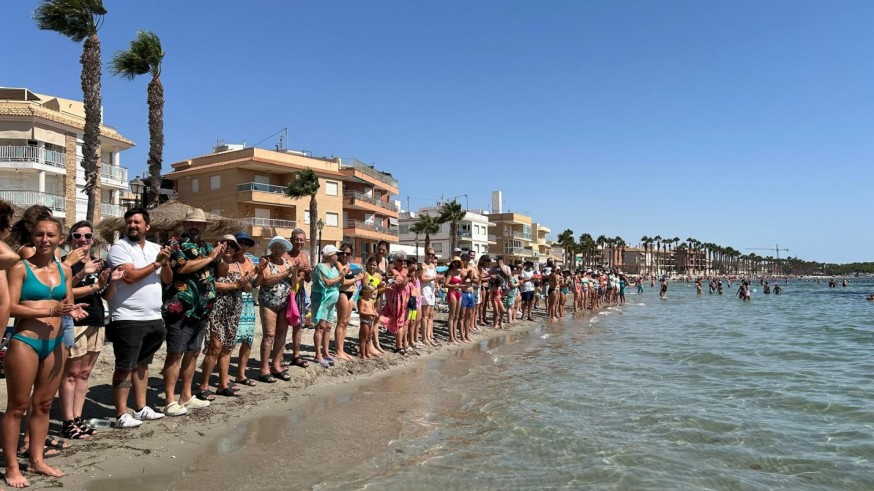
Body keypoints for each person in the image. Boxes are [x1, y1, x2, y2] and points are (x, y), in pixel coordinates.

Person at [4, 215, 89, 487]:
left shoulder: (64, 270)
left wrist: (72, 312)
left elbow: (67, 302)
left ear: (60, 239)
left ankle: (37, 460)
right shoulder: (20, 268)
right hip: (25, 342)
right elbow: (11, 308)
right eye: (39, 234)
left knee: (42, 405)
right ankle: (11, 466)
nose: (44, 239)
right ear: (33, 237)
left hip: (56, 344)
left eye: (50, 235)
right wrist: (49, 310)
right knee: (17, 406)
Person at [105, 208, 172, 427]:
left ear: (147, 226)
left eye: (137, 222)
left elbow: (167, 279)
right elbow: (130, 276)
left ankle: (141, 408)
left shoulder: (155, 248)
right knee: (124, 366)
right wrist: (157, 263)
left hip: (153, 316)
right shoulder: (119, 247)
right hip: (127, 316)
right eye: (129, 222)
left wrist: (166, 262)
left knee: (143, 364)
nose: (133, 225)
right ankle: (121, 414)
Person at [59, 221, 123, 440]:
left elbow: (106, 296)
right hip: (74, 322)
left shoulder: (100, 263)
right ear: (70, 239)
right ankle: (67, 422)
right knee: (71, 374)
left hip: (96, 320)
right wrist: (83, 274)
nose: (82, 240)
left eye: (87, 236)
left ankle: (77, 418)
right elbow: (63, 294)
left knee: (84, 374)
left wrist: (111, 281)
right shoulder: (65, 264)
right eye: (77, 236)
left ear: (93, 240)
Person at [162, 208, 224, 415]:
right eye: (191, 223)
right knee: (175, 354)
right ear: (184, 225)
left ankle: (186, 396)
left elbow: (221, 273)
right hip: (180, 309)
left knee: (193, 352)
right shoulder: (174, 244)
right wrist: (210, 258)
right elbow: (182, 268)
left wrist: (219, 257)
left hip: (202, 309)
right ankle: (170, 400)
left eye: (198, 224)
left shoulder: (207, 246)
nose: (194, 227)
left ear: (205, 227)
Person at [199, 235, 252, 398]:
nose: (228, 247)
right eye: (224, 244)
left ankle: (223, 384)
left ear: (236, 250)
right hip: (216, 309)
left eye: (231, 245)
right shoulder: (213, 264)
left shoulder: (237, 265)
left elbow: (248, 289)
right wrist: (235, 284)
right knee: (215, 347)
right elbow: (211, 285)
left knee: (228, 347)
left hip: (234, 311)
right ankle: (203, 386)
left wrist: (247, 280)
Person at [254, 236, 298, 382]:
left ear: (284, 249)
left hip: (284, 303)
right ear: (271, 248)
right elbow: (266, 280)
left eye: (281, 247)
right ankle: (263, 369)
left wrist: (295, 272)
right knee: (269, 335)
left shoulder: (287, 263)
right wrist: (287, 272)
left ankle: (276, 365)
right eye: (275, 247)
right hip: (268, 302)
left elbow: (293, 283)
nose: (278, 250)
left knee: (281, 335)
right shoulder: (265, 261)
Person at [231, 232, 258, 387]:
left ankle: (241, 374)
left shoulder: (249, 260)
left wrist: (258, 273)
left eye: (247, 243)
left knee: (247, 339)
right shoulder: (229, 261)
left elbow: (254, 284)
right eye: (241, 242)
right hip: (232, 301)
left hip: (248, 302)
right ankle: (223, 376)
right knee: (230, 340)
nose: (244, 246)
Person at [311, 245, 343, 368]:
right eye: (335, 254)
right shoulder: (320, 267)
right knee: (320, 326)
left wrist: (340, 272)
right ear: (330, 255)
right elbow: (327, 282)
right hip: (321, 299)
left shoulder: (334, 267)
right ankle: (317, 354)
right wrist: (340, 276)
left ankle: (325, 352)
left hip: (331, 301)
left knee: (328, 326)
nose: (337, 256)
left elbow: (340, 280)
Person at [284, 229, 312, 368]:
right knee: (281, 327)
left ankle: (296, 355)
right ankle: (278, 358)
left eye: (302, 240)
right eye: (297, 239)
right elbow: (285, 276)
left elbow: (308, 280)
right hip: (285, 292)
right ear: (291, 239)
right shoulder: (285, 256)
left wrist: (308, 272)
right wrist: (298, 272)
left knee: (298, 325)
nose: (299, 242)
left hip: (299, 292)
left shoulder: (305, 256)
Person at [334, 243, 360, 362]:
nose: (345, 255)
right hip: (342, 293)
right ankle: (338, 350)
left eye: (348, 253)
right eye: (342, 253)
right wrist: (356, 278)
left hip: (350, 294)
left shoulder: (349, 265)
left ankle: (341, 349)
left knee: (346, 322)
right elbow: (342, 282)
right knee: (341, 321)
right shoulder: (338, 264)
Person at [382, 251, 410, 354]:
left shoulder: (405, 270)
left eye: (404, 261)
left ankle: (403, 344)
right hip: (396, 299)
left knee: (404, 322)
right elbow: (402, 284)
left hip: (405, 298)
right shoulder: (393, 271)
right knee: (399, 322)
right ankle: (399, 346)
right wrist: (410, 274)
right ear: (395, 261)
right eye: (400, 261)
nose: (403, 263)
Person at [419, 249, 440, 346]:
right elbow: (422, 278)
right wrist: (433, 279)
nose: (431, 256)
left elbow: (435, 279)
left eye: (433, 254)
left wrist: (437, 284)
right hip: (424, 291)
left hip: (431, 291)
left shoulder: (433, 266)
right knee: (425, 315)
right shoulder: (423, 265)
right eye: (429, 254)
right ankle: (424, 337)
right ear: (426, 254)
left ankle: (428, 336)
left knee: (431, 315)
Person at [445, 256, 463, 342]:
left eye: (458, 262)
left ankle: (455, 336)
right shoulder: (451, 272)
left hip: (459, 293)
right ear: (452, 263)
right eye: (455, 262)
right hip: (452, 292)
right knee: (452, 315)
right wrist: (455, 286)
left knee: (457, 316)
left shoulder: (459, 272)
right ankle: (451, 337)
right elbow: (445, 284)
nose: (456, 264)